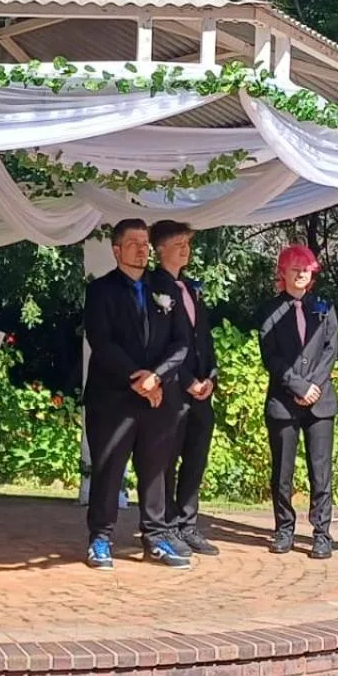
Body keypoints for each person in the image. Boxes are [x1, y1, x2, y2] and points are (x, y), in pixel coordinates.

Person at [82, 218, 190, 571]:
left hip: (159, 397)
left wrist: (156, 378)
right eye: (134, 243)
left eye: (145, 243)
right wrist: (136, 378)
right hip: (114, 397)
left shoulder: (166, 287)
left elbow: (181, 342)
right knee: (109, 468)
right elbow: (102, 341)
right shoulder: (101, 290)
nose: (142, 249)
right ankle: (101, 538)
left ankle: (155, 537)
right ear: (116, 250)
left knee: (155, 469)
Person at [257, 244, 338, 558]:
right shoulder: (270, 310)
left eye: (306, 269)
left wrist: (314, 386)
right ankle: (284, 530)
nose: (302, 273)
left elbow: (331, 349)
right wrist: (298, 386)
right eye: (295, 268)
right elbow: (271, 356)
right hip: (283, 401)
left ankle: (322, 533)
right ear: (283, 273)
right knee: (282, 471)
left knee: (321, 470)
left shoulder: (324, 307)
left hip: (320, 402)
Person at [147, 219, 220, 557]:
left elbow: (202, 337)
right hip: (175, 388)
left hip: (202, 390)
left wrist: (211, 377)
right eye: (178, 244)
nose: (185, 249)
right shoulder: (153, 287)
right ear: (160, 249)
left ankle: (189, 524)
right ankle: (166, 525)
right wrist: (188, 380)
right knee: (167, 459)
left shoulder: (192, 288)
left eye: (188, 243)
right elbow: (162, 344)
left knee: (196, 457)